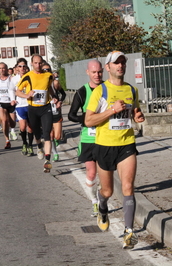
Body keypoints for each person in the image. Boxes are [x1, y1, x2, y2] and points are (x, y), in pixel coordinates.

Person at [85, 51, 145, 249]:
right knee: (108, 190)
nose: (120, 66)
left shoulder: (131, 90)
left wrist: (137, 116)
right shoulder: (100, 91)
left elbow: (134, 111)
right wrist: (111, 110)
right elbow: (88, 120)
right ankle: (102, 206)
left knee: (128, 187)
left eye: (122, 63)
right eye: (116, 63)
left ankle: (129, 232)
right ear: (108, 67)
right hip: (104, 146)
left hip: (126, 143)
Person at [68, 59, 103, 217]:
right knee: (91, 173)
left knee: (104, 174)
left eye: (99, 72)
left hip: (105, 138)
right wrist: (86, 120)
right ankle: (94, 202)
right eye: (94, 72)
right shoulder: (82, 92)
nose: (97, 75)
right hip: (88, 139)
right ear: (88, 72)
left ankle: (102, 198)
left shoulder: (107, 89)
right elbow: (71, 115)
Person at [15, 54, 59, 173]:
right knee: (36, 133)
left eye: (40, 63)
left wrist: (54, 97)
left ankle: (47, 160)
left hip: (46, 108)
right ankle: (39, 146)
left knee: (47, 133)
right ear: (32, 63)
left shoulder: (48, 75)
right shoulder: (28, 76)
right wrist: (27, 95)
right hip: (33, 109)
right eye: (35, 63)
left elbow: (49, 89)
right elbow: (18, 92)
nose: (38, 65)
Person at [42, 63, 66, 162]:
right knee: (50, 135)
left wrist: (60, 101)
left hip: (56, 112)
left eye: (48, 70)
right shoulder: (38, 84)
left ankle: (59, 138)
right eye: (44, 70)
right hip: (46, 113)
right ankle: (55, 153)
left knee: (57, 136)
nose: (46, 72)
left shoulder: (55, 83)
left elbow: (63, 94)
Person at [0, 62, 17, 148]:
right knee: (4, 121)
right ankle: (7, 140)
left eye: (3, 68)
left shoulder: (11, 78)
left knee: (12, 124)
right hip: (1, 102)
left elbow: (17, 88)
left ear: (6, 69)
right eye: (0, 68)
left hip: (10, 103)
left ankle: (11, 129)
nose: (2, 70)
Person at [12, 58, 34, 156]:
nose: (22, 68)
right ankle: (24, 143)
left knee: (30, 128)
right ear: (17, 68)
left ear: (27, 67)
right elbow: (11, 90)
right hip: (20, 105)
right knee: (22, 126)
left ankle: (30, 145)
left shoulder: (31, 77)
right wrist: (13, 99)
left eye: (24, 66)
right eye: (20, 66)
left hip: (30, 104)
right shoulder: (14, 79)